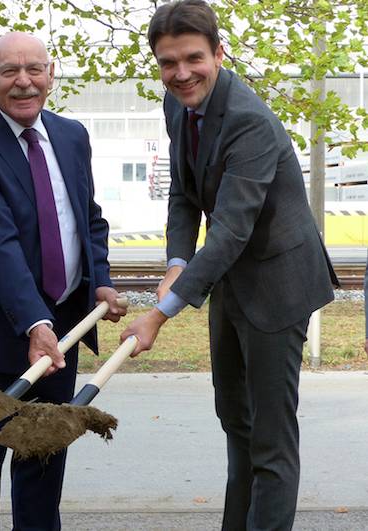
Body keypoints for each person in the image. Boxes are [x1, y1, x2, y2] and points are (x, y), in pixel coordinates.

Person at [121, 1, 339, 529]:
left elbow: (230, 232)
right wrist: (176, 259)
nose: (181, 73)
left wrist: (159, 313)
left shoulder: (250, 122)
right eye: (168, 63)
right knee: (235, 424)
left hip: (278, 286)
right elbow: (184, 192)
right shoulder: (179, 105)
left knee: (269, 441)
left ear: (219, 52)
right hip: (231, 282)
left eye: (193, 58)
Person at [0, 32, 126, 530]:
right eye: (9, 71)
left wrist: (98, 280)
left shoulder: (73, 137)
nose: (23, 82)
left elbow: (88, 220)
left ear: (51, 75)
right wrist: (36, 322)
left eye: (34, 69)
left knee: (43, 469)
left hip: (63, 331)